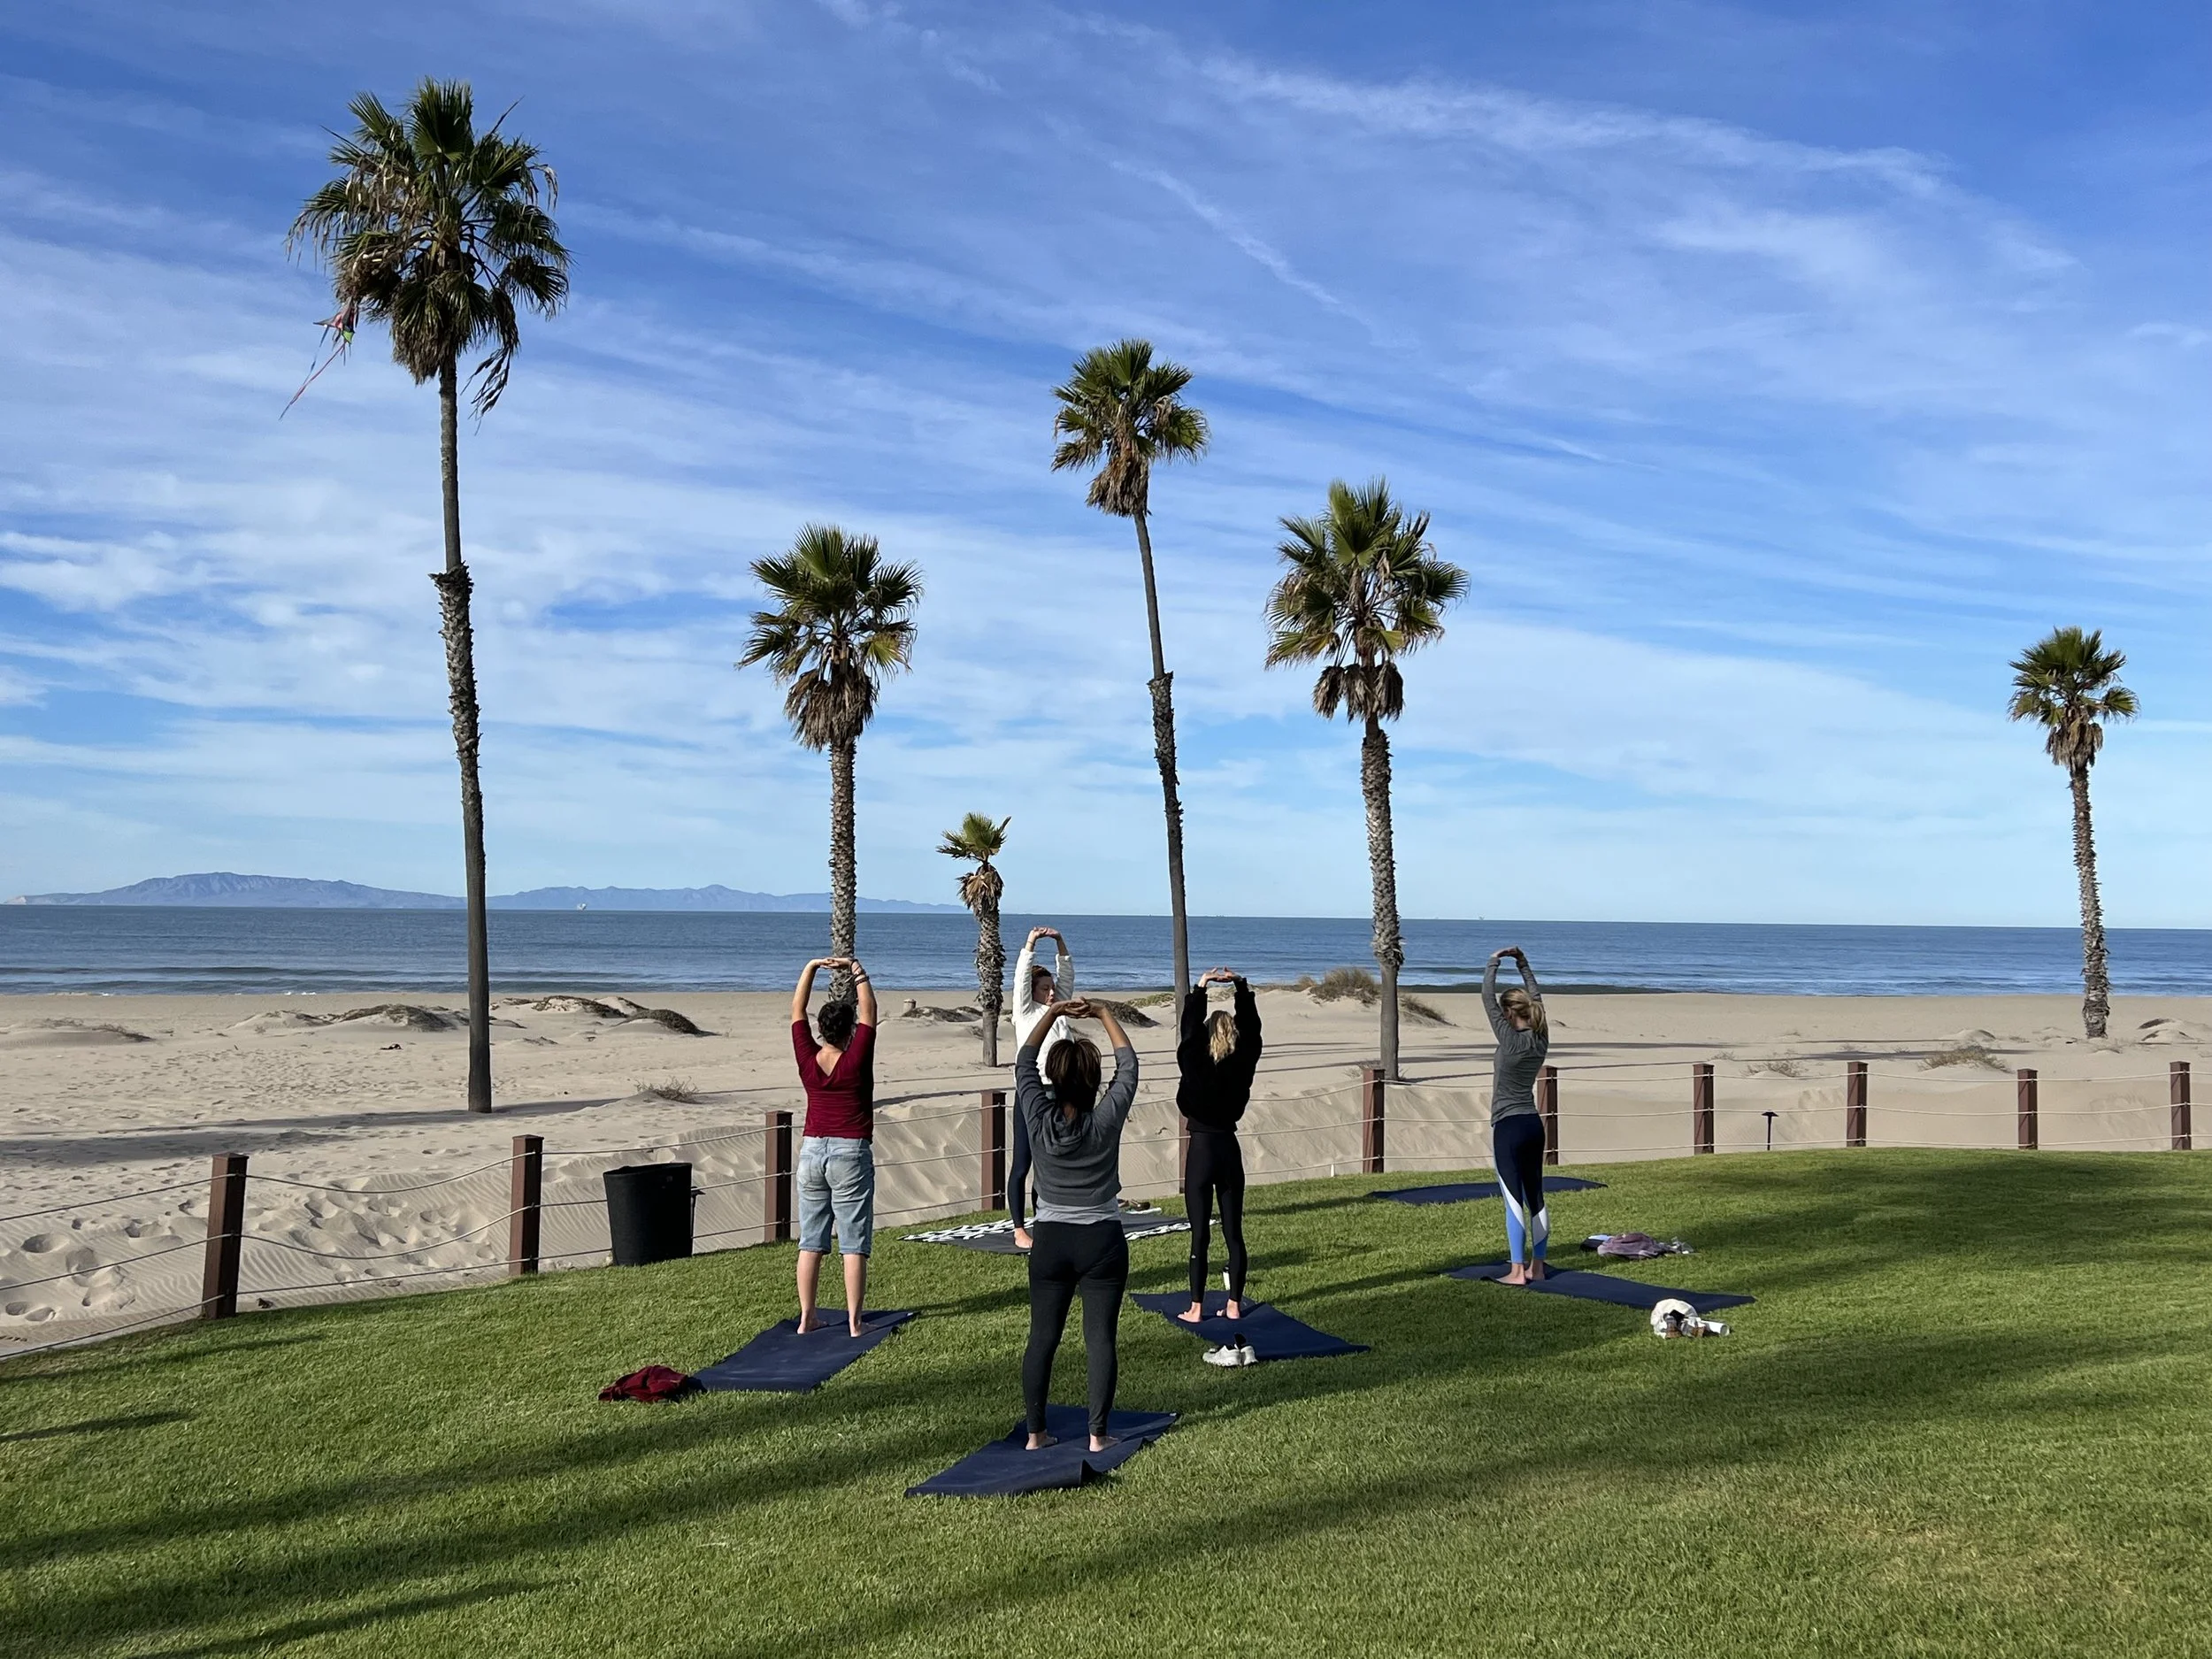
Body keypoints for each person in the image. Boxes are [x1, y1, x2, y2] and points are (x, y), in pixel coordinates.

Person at [1013, 996, 1139, 1453]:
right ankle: (1098, 1437)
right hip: (1101, 1241)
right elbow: (1129, 1068)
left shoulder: (1037, 1115)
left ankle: (1035, 1435)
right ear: (1091, 1084)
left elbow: (1024, 1062)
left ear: (1053, 1081)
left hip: (1050, 1242)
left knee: (1042, 1338)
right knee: (1100, 1339)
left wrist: (1051, 1014)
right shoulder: (1105, 1120)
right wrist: (1104, 1013)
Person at [788, 955, 878, 1335]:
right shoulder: (856, 1058)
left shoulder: (808, 1058)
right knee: (853, 1242)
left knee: (811, 1241)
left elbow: (796, 1011)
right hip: (849, 1152)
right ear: (848, 1033)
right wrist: (857, 971)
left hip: (811, 1151)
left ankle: (807, 1317)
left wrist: (811, 967)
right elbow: (870, 1012)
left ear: (822, 1031)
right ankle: (855, 1322)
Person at [1175, 966, 1262, 1341]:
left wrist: (1200, 988)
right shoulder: (1242, 1065)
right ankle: (1234, 1303)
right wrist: (1241, 987)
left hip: (1201, 1151)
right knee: (1233, 1233)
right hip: (1229, 1149)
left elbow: (1189, 1033)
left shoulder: (1195, 1063)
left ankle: (1196, 1307)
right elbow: (1254, 1032)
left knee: (1199, 1234)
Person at [1483, 946, 1551, 1285]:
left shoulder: (1509, 1039)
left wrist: (1494, 962)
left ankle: (1515, 1271)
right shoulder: (1541, 1037)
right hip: (1533, 1125)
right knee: (1535, 1196)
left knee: (1513, 1200)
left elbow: (1485, 997)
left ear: (1510, 1014)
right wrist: (1522, 961)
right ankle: (1537, 1267)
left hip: (1508, 1126)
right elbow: (1536, 998)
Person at [1005, 926, 1077, 1250]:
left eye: (1052, 988)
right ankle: (1019, 1229)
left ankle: (1045, 1221)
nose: (1052, 993)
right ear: (1033, 991)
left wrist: (1060, 942)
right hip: (1032, 1093)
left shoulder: (1057, 1012)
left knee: (1051, 1162)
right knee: (1023, 1162)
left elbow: (1067, 978)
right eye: (1045, 988)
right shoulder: (1025, 1012)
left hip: (1061, 1092)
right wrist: (1031, 942)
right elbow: (1020, 978)